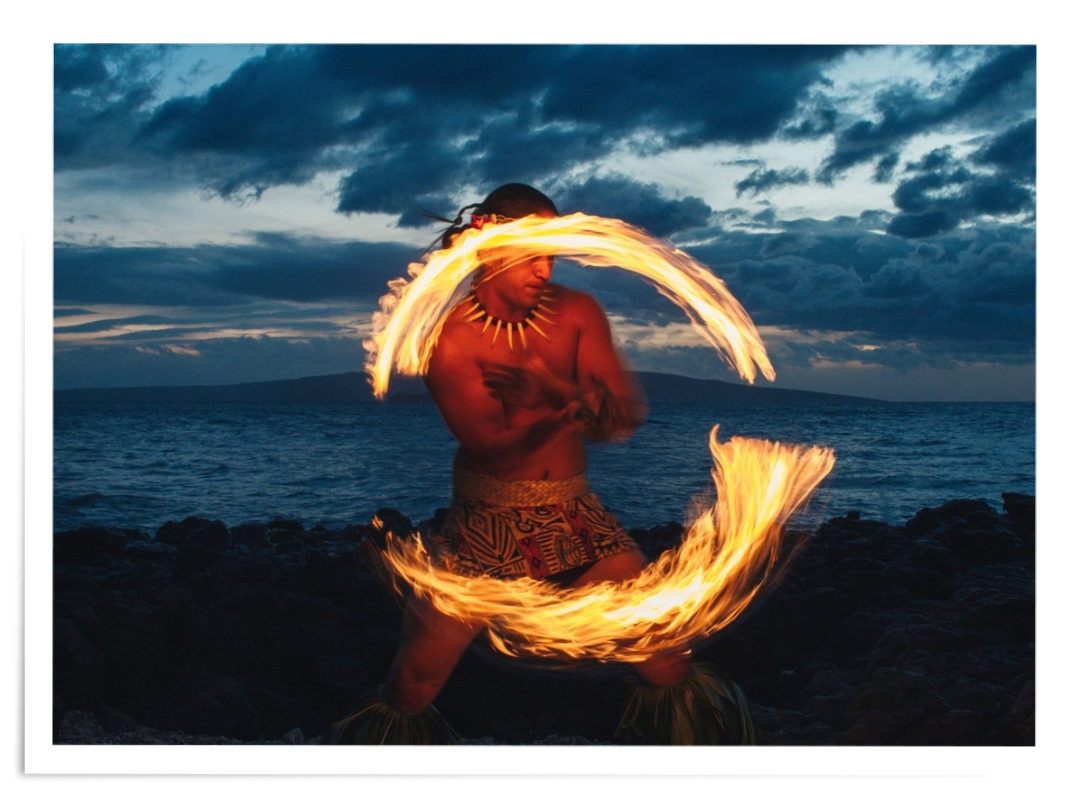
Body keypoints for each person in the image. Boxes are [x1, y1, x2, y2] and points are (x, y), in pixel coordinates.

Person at [330, 184, 751, 745]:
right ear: (489, 244)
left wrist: (556, 392)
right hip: (486, 527)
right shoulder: (449, 341)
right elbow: (493, 447)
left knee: (666, 661)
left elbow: (621, 417)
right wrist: (562, 409)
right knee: (413, 685)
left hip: (577, 517)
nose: (545, 269)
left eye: (552, 254)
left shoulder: (577, 313)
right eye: (532, 253)